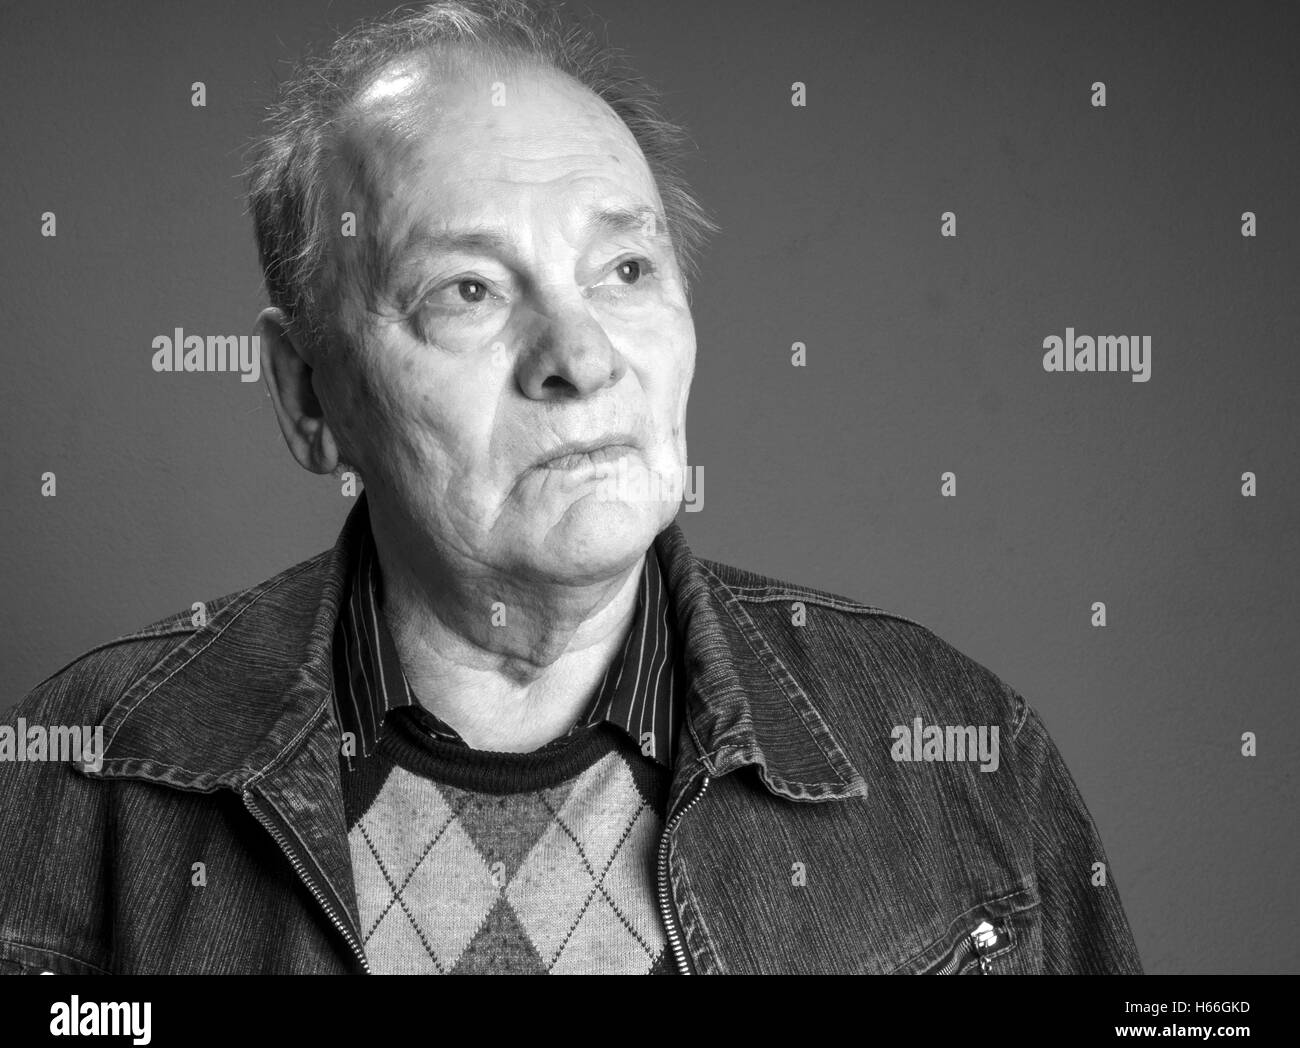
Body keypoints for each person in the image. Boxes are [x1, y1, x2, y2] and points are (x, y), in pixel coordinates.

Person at [0, 0, 1142, 974]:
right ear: (309, 397)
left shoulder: (955, 754)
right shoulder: (78, 781)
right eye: (468, 291)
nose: (581, 356)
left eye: (626, 269)